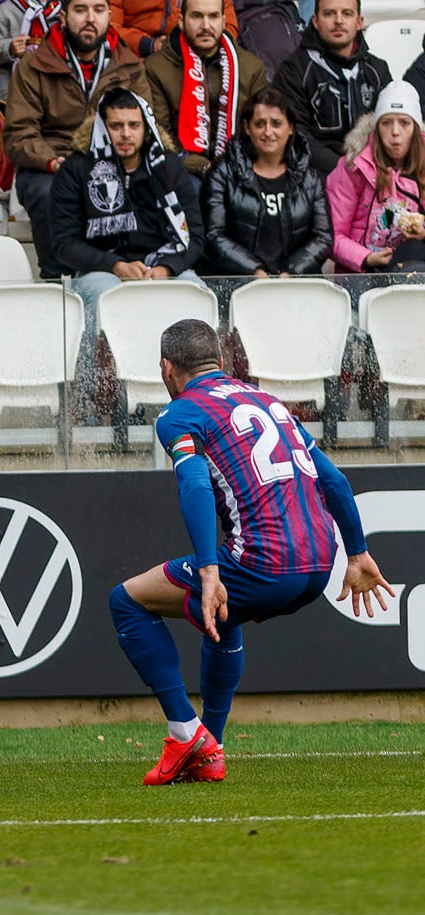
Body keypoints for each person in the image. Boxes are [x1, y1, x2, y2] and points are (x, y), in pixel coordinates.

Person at [110, 317, 391, 785]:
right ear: (221, 362)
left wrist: (207, 569)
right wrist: (358, 553)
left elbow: (195, 482)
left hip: (265, 565)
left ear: (166, 369)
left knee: (127, 601)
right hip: (322, 565)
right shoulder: (269, 402)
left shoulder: (179, 415)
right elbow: (335, 481)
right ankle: (210, 749)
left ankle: (185, 733)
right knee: (224, 616)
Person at [4, 0, 151, 277]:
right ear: (63, 16)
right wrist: (53, 161)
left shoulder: (130, 66)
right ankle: (56, 278)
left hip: (115, 160)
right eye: (80, 9)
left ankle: (127, 269)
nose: (90, 18)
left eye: (98, 10)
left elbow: (145, 127)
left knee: (152, 181)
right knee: (46, 191)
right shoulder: (33, 65)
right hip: (54, 159)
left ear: (109, 15)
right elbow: (19, 132)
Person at [52, 88, 205, 316]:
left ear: (146, 127)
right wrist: (115, 265)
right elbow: (64, 244)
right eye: (116, 126)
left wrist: (166, 268)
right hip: (101, 271)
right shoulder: (77, 168)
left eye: (134, 125)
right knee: (109, 295)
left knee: (195, 291)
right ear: (103, 127)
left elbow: (195, 236)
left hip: (164, 265)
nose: (126, 134)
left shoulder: (168, 167)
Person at [201, 88, 333, 276]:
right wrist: (255, 271)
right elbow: (213, 235)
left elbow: (323, 238)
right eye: (260, 124)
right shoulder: (223, 172)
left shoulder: (309, 176)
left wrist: (290, 272)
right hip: (239, 285)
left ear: (290, 128)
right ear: (247, 128)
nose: (268, 132)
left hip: (295, 286)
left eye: (277, 124)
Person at [142, 0, 269, 178]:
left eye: (213, 16)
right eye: (197, 16)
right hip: (184, 169)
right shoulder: (156, 68)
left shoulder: (250, 68)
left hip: (240, 169)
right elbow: (161, 135)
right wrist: (203, 167)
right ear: (181, 20)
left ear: (224, 21)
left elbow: (260, 131)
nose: (206, 25)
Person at [271, 0, 391, 179]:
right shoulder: (294, 70)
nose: (338, 21)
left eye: (347, 14)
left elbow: (391, 127)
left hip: (371, 175)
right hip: (313, 178)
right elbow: (294, 135)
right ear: (315, 21)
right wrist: (344, 170)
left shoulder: (377, 70)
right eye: (329, 14)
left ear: (359, 22)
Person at [325, 81, 425, 273]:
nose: (395, 132)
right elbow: (330, 235)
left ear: (415, 129)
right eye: (387, 123)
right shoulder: (353, 167)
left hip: (413, 268)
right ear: (377, 127)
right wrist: (366, 258)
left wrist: (422, 234)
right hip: (361, 272)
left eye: (404, 123)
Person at [0, 0, 57, 98]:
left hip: (58, 89)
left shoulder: (65, 9)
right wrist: (8, 48)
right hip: (14, 90)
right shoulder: (6, 10)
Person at [109, 0, 236, 58]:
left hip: (194, 53)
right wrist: (148, 45)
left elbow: (229, 26)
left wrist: (200, 46)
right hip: (135, 55)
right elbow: (109, 27)